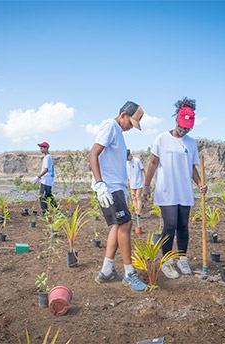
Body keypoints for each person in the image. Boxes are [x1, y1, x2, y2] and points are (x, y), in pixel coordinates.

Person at [143, 97, 207, 279]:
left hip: (184, 190)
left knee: (183, 226)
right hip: (166, 190)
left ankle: (182, 258)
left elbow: (192, 168)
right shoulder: (162, 139)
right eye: (181, 126)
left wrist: (200, 183)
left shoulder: (191, 143)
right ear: (176, 121)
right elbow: (153, 162)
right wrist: (146, 186)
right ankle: (167, 261)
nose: (184, 130)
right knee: (170, 225)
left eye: (188, 128)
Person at [89, 100, 147, 292]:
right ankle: (129, 273)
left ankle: (107, 271)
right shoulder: (110, 126)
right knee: (126, 224)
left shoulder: (119, 133)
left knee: (119, 224)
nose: (130, 127)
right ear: (123, 115)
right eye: (130, 123)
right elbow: (93, 154)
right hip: (108, 188)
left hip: (116, 188)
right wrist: (99, 184)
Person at [30, 142, 56, 218]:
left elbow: (46, 169)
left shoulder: (47, 157)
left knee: (42, 196)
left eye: (42, 147)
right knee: (49, 196)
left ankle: (45, 213)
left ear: (46, 148)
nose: (40, 149)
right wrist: (40, 178)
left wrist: (38, 177)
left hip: (46, 180)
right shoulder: (48, 157)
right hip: (48, 179)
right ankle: (56, 211)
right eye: (40, 148)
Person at [126, 149, 146, 219]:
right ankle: (136, 211)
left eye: (127, 157)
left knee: (138, 197)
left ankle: (138, 213)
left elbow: (143, 170)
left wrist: (145, 181)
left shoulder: (137, 161)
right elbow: (128, 173)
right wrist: (127, 181)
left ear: (130, 155)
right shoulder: (127, 163)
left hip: (139, 182)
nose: (127, 159)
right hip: (132, 182)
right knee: (133, 197)